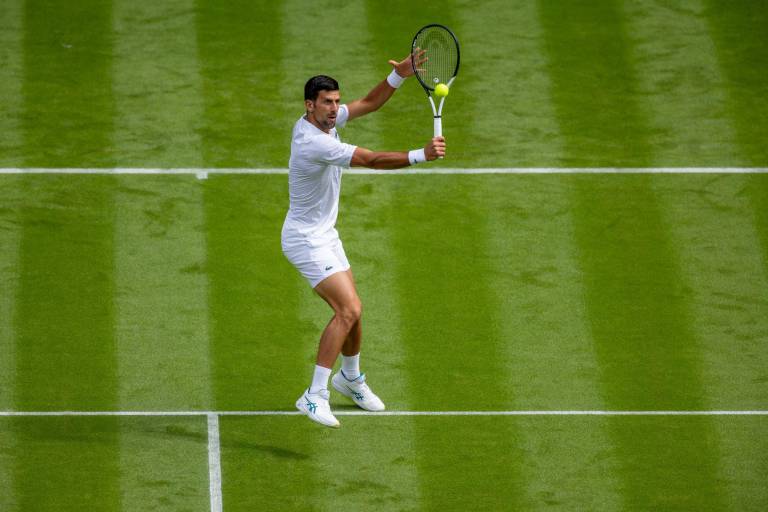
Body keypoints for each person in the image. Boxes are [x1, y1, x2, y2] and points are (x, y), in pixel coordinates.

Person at [282, 51, 445, 428]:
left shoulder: (322, 123)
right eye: (327, 103)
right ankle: (314, 395)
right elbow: (371, 160)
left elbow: (369, 103)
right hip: (305, 239)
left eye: (337, 101)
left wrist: (400, 76)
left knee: (355, 311)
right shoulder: (314, 142)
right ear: (310, 106)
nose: (334, 108)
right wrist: (421, 155)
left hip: (325, 234)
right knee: (348, 310)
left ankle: (350, 379)